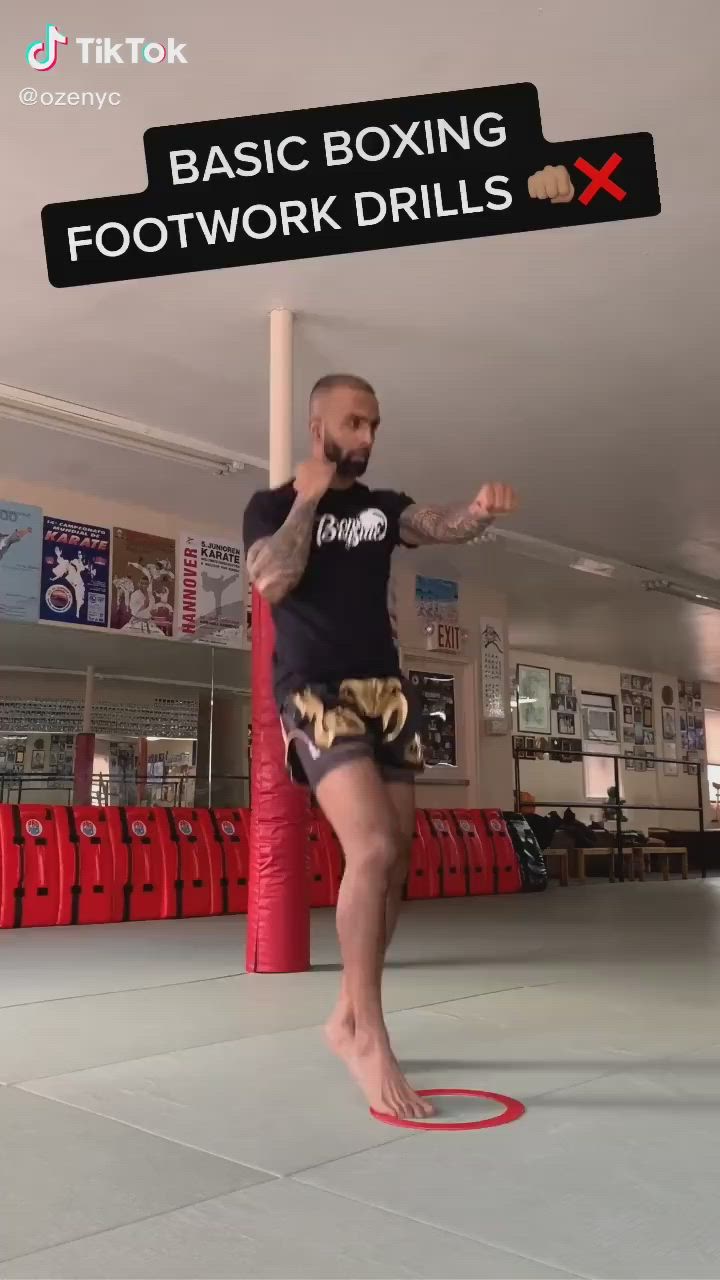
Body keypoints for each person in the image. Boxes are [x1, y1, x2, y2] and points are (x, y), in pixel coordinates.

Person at [242, 373, 518, 1119]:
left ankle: (346, 1013)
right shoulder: (271, 507)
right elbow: (271, 581)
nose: (365, 438)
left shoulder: (380, 508)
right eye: (353, 423)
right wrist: (307, 495)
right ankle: (370, 1034)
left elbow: (440, 523)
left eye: (374, 425)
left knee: (396, 859)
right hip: (315, 689)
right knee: (366, 849)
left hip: (386, 692)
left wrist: (479, 513)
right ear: (318, 425)